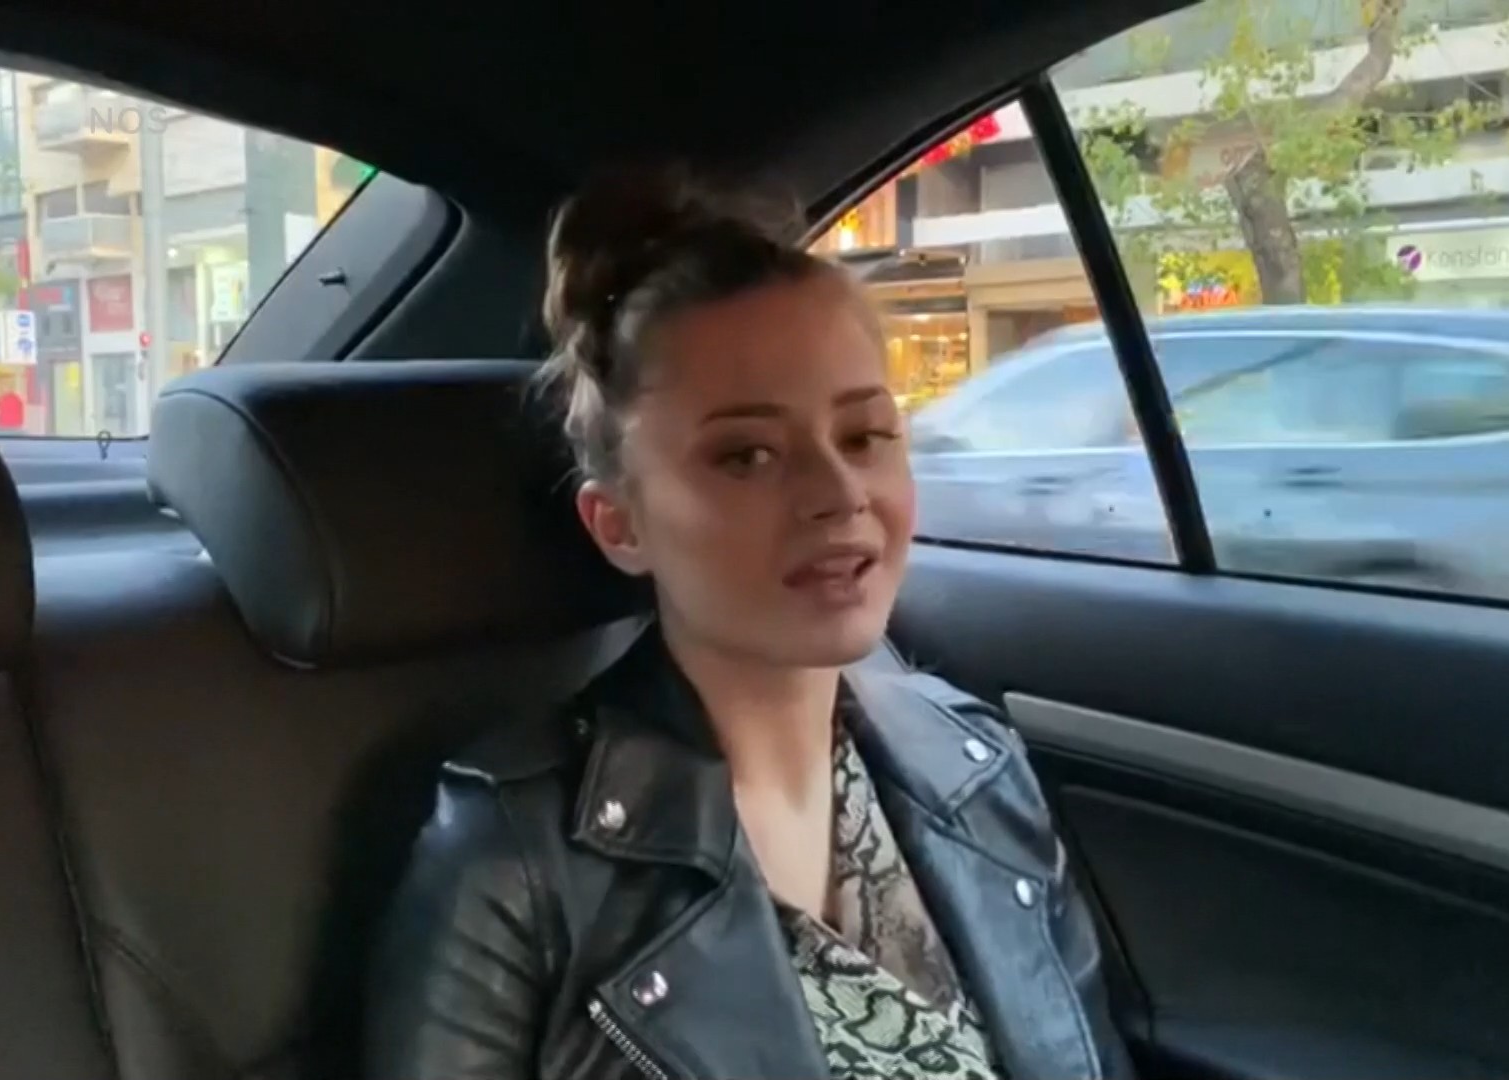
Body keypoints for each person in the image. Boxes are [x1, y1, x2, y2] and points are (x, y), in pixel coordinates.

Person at [363, 169, 1134, 1080]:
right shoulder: (512, 863)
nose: (839, 493)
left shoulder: (976, 770)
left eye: (863, 436)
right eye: (747, 455)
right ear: (621, 525)